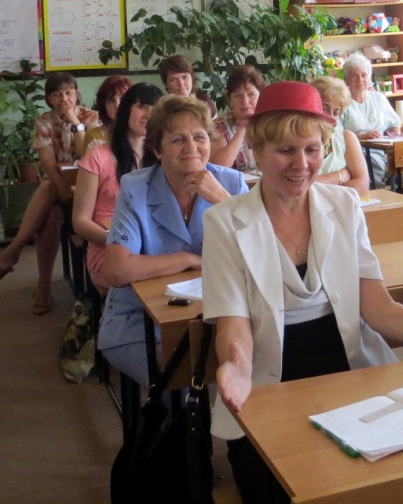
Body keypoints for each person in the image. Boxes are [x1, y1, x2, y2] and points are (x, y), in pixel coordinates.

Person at [201, 81, 403, 503]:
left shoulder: (343, 205)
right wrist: (238, 366)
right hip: (267, 381)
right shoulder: (225, 222)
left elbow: (377, 307)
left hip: (349, 370)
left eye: (312, 149)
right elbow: (233, 324)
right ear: (257, 150)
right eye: (285, 150)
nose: (301, 163)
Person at [99, 95, 247, 387]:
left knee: (253, 372)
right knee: (173, 382)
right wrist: (190, 260)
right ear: (158, 149)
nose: (192, 147)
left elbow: (263, 254)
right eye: (178, 140)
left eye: (200, 137)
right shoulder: (135, 189)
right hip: (139, 322)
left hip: (220, 315)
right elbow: (116, 270)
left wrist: (221, 200)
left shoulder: (230, 184)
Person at [0, 72, 100, 314]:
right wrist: (63, 192)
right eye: (57, 94)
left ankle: (13, 252)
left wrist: (74, 121)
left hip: (88, 190)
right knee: (52, 215)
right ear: (49, 99)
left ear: (77, 93)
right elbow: (47, 163)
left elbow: (87, 155)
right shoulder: (43, 122)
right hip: (59, 188)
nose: (63, 98)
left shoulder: (92, 117)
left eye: (68, 92)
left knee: (46, 187)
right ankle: (43, 286)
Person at [72, 84, 163, 296]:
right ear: (126, 111)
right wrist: (121, 242)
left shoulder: (163, 157)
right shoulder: (97, 156)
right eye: (142, 106)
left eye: (155, 108)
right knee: (148, 288)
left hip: (153, 246)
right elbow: (80, 222)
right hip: (108, 247)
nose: (148, 114)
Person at [340, 54, 402, 186]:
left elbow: (395, 122)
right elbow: (338, 134)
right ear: (346, 79)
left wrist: (393, 137)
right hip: (357, 152)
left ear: (369, 78)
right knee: (373, 166)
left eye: (364, 75)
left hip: (384, 149)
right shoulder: (342, 102)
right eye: (354, 75)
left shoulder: (379, 98)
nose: (360, 80)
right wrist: (363, 136)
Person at [311, 76, 370, 195]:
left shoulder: (347, 138)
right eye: (325, 108)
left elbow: (363, 186)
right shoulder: (298, 139)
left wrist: (317, 187)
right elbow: (298, 188)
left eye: (336, 112)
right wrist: (339, 176)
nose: (330, 117)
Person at [211, 65, 264, 172]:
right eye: (238, 95)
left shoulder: (269, 123)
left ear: (261, 96)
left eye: (251, 94)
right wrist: (241, 130)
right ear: (230, 100)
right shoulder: (220, 127)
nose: (245, 102)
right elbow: (219, 168)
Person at [80, 75, 132, 154]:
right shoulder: (93, 136)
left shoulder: (141, 133)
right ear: (104, 105)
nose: (117, 105)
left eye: (122, 99)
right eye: (111, 100)